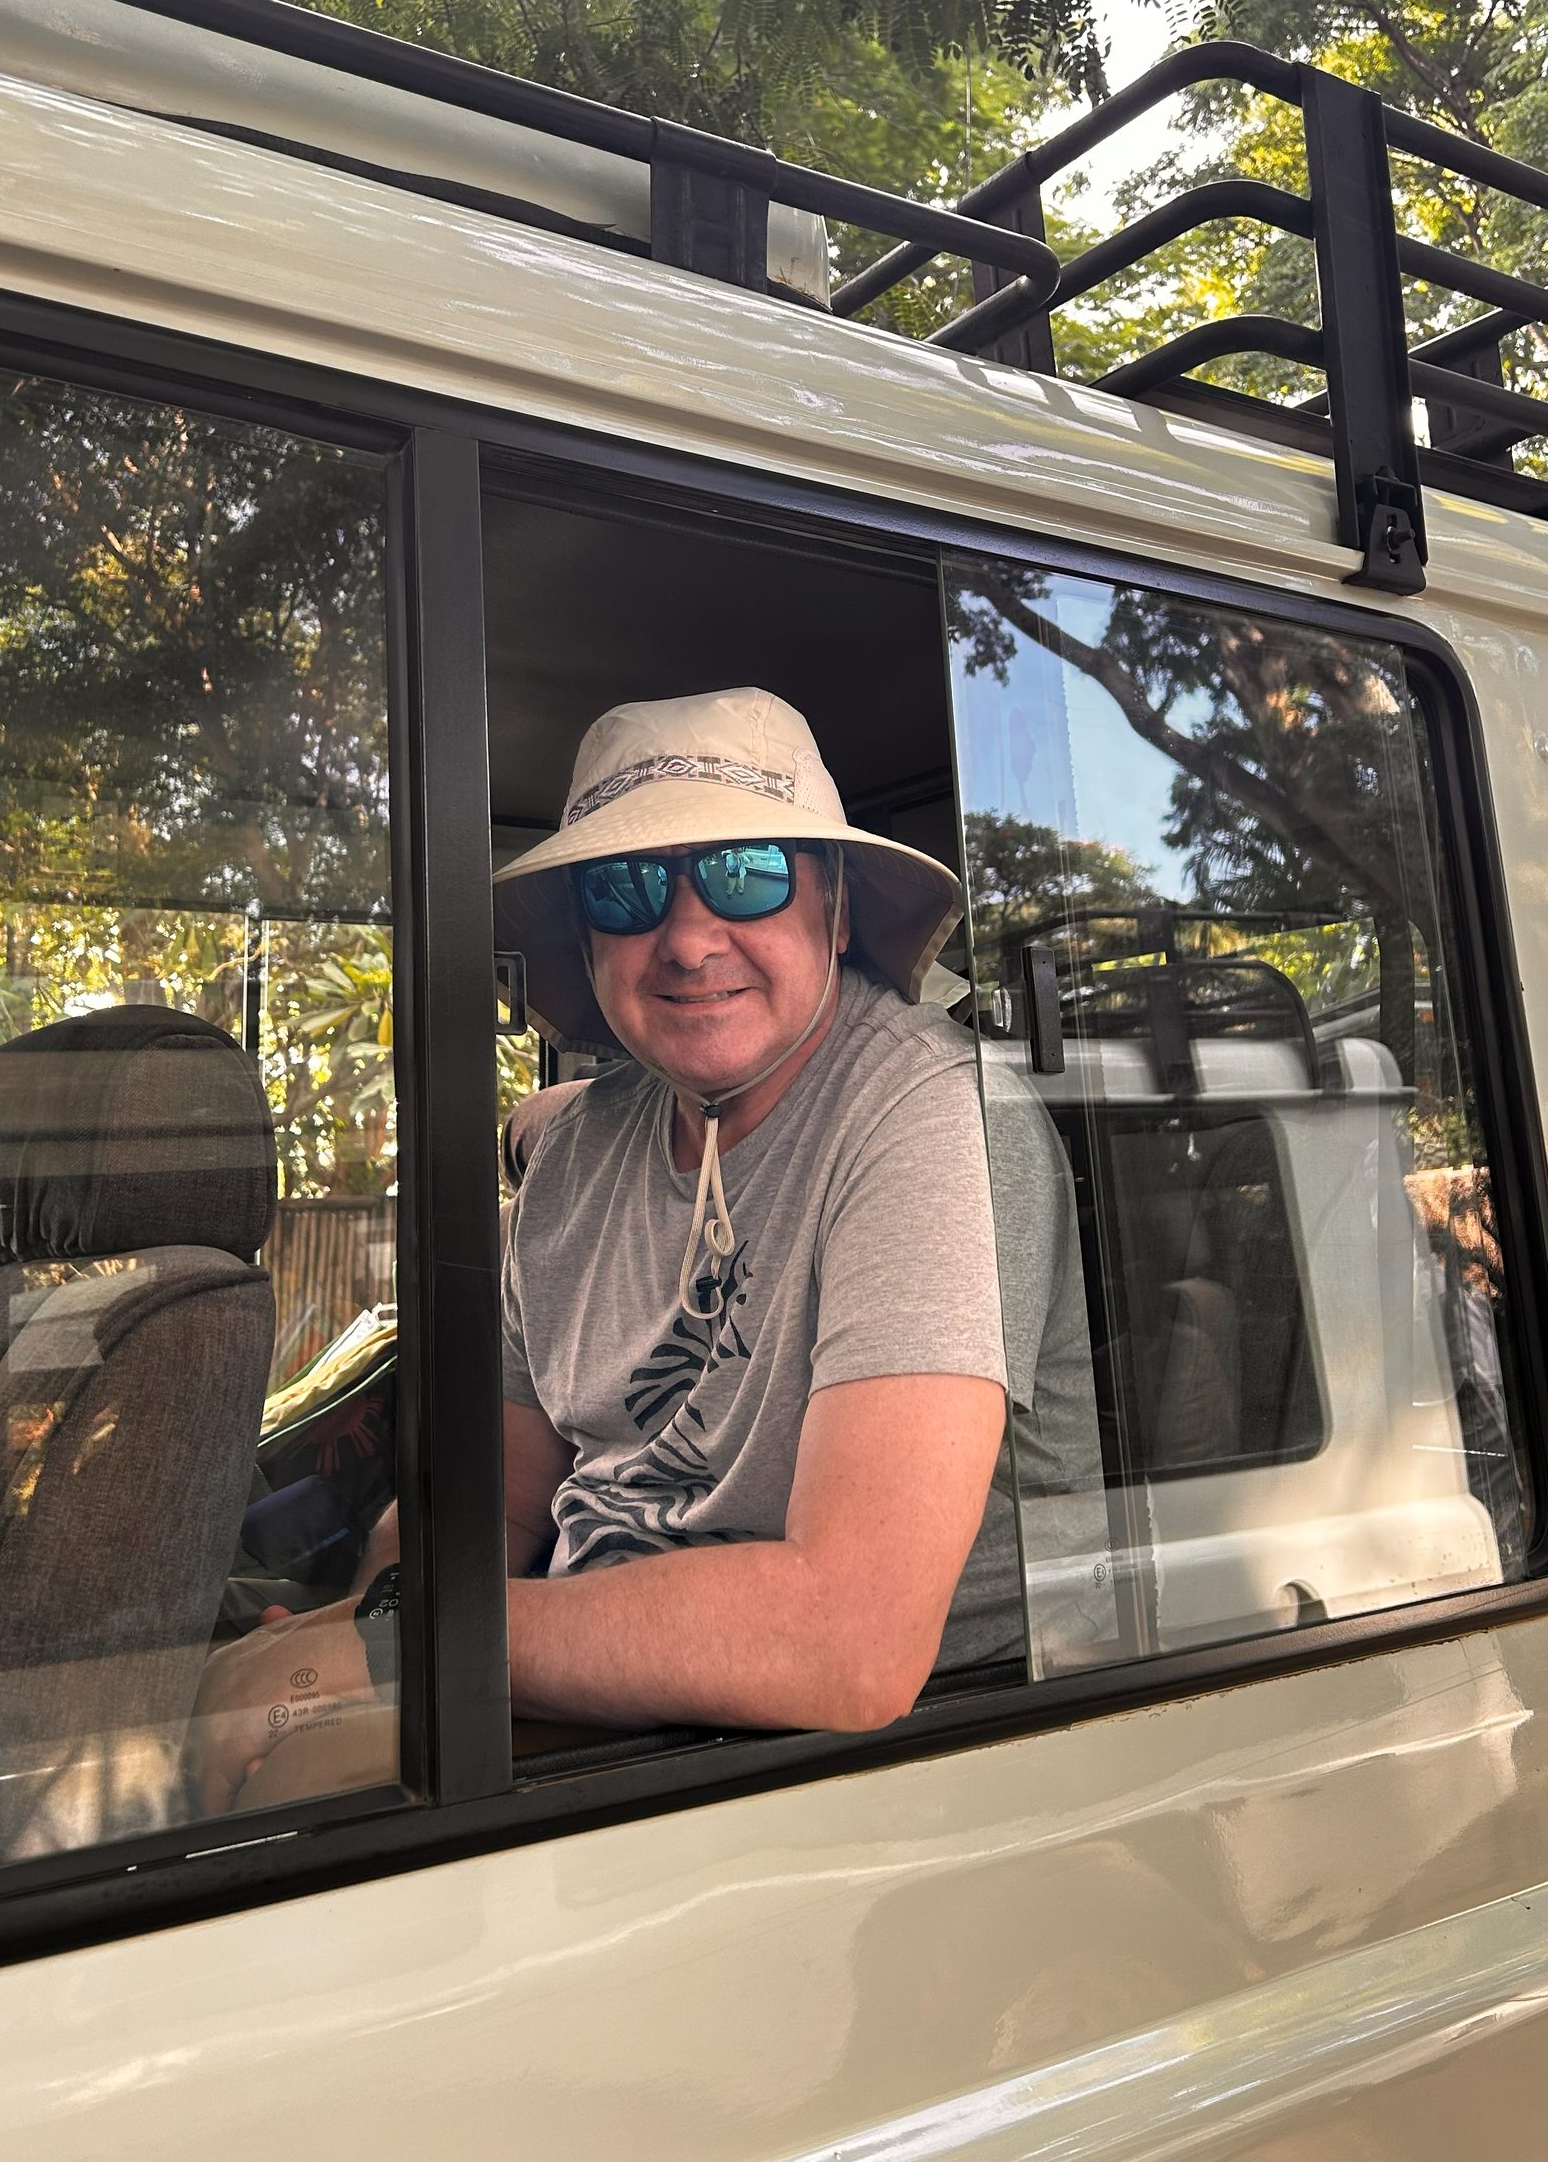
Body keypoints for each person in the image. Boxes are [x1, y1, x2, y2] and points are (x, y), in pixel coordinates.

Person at [189, 688, 1098, 1808]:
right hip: (599, 1669)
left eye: (745, 871)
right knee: (205, 1715)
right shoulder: (574, 1158)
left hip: (880, 1741)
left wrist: (397, 1647)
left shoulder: (934, 1116)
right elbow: (507, 1509)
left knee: (297, 1795)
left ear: (840, 907)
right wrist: (351, 1623)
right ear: (586, 938)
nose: (685, 936)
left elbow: (851, 1642)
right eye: (625, 889)